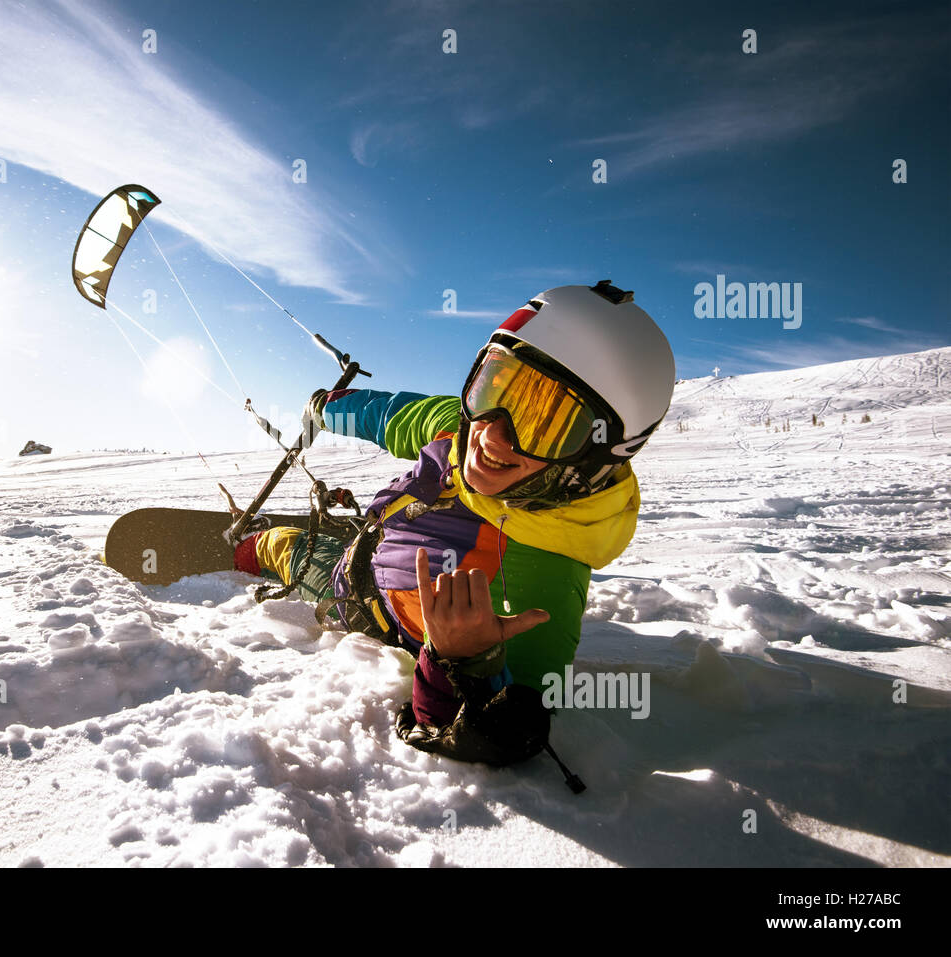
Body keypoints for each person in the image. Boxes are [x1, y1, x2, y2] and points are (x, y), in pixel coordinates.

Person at [232, 281, 675, 775]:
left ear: (590, 459)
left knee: (284, 546)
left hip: (361, 599)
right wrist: (330, 406)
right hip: (378, 535)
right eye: (497, 388)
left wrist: (462, 662)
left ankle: (246, 550)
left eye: (546, 425)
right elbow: (392, 414)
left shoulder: (545, 573)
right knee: (349, 532)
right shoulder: (458, 429)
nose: (494, 434)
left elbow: (495, 730)